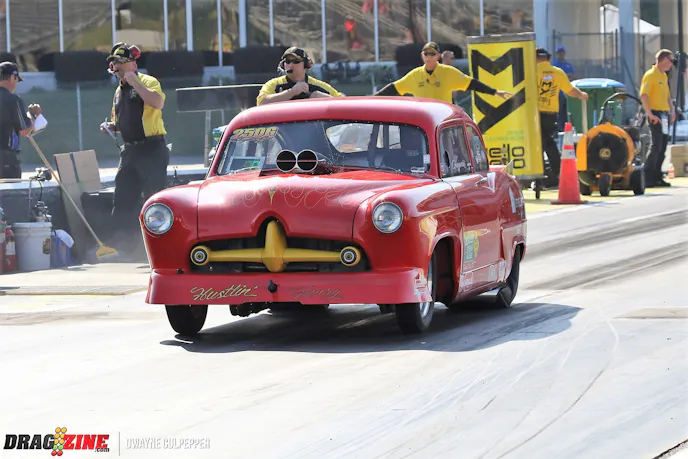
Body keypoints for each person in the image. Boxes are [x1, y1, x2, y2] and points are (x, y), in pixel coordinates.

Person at [100, 42, 170, 255]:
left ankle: (161, 248)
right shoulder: (118, 92)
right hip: (130, 151)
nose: (118, 67)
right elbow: (121, 121)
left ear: (133, 64)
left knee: (154, 198)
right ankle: (121, 247)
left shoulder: (148, 81)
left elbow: (157, 103)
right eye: (115, 63)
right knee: (123, 199)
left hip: (152, 148)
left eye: (122, 63)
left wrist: (135, 83)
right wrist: (112, 127)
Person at [373, 42, 512, 103]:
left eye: (432, 54)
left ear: (438, 56)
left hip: (444, 121)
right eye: (426, 53)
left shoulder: (448, 72)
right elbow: (394, 88)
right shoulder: (415, 75)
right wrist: (372, 99)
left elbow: (472, 83)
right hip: (424, 121)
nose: (429, 56)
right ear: (422, 55)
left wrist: (495, 92)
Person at [536, 47, 588, 187]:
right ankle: (557, 172)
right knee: (547, 142)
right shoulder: (557, 72)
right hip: (550, 115)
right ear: (548, 58)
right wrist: (581, 95)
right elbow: (570, 90)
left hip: (534, 114)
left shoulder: (530, 72)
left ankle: (541, 177)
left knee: (539, 144)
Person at [257, 47, 345, 106]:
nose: (290, 64)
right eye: (287, 61)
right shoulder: (274, 84)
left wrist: (326, 99)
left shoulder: (319, 86)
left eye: (296, 61)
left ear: (306, 64)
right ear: (283, 65)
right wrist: (292, 92)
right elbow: (261, 103)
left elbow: (345, 102)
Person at [640, 49, 676, 187]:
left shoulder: (664, 76)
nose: (671, 64)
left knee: (663, 146)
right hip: (655, 114)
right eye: (670, 60)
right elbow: (644, 95)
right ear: (664, 60)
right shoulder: (650, 75)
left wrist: (672, 110)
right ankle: (647, 176)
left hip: (664, 114)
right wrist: (650, 114)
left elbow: (667, 96)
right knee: (656, 146)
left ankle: (657, 176)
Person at [0, 62, 42, 179]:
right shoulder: (13, 99)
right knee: (10, 190)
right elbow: (24, 130)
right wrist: (33, 115)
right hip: (5, 159)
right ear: (12, 77)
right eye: (16, 79)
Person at [551, 45, 576, 132]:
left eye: (562, 52)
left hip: (568, 91)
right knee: (559, 111)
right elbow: (554, 77)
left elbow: (573, 76)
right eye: (559, 53)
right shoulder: (554, 65)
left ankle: (567, 128)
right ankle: (559, 129)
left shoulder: (568, 65)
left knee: (567, 111)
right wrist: (566, 76)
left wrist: (563, 76)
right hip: (558, 92)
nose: (560, 54)